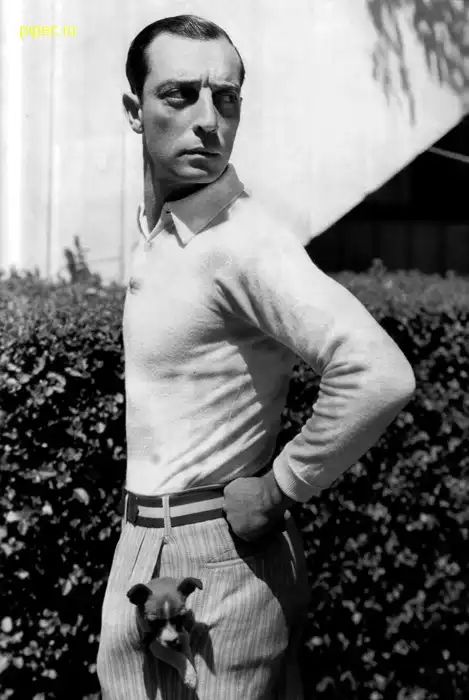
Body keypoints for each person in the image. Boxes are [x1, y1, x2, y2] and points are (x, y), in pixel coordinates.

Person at [96, 14, 416, 700]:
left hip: (215, 554)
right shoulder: (162, 233)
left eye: (226, 99)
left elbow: (379, 373)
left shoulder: (245, 242)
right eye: (180, 95)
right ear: (134, 110)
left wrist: (281, 486)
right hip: (143, 540)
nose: (208, 120)